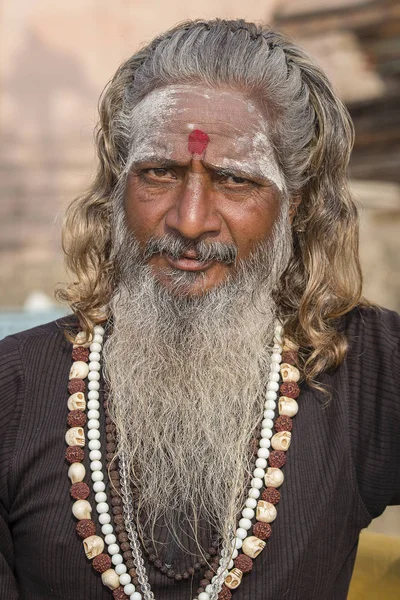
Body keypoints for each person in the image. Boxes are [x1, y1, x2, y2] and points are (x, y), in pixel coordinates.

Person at [0, 18, 399, 600]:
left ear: (297, 205)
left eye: (235, 181)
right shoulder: (15, 388)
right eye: (158, 173)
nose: (190, 221)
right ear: (117, 189)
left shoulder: (363, 371)